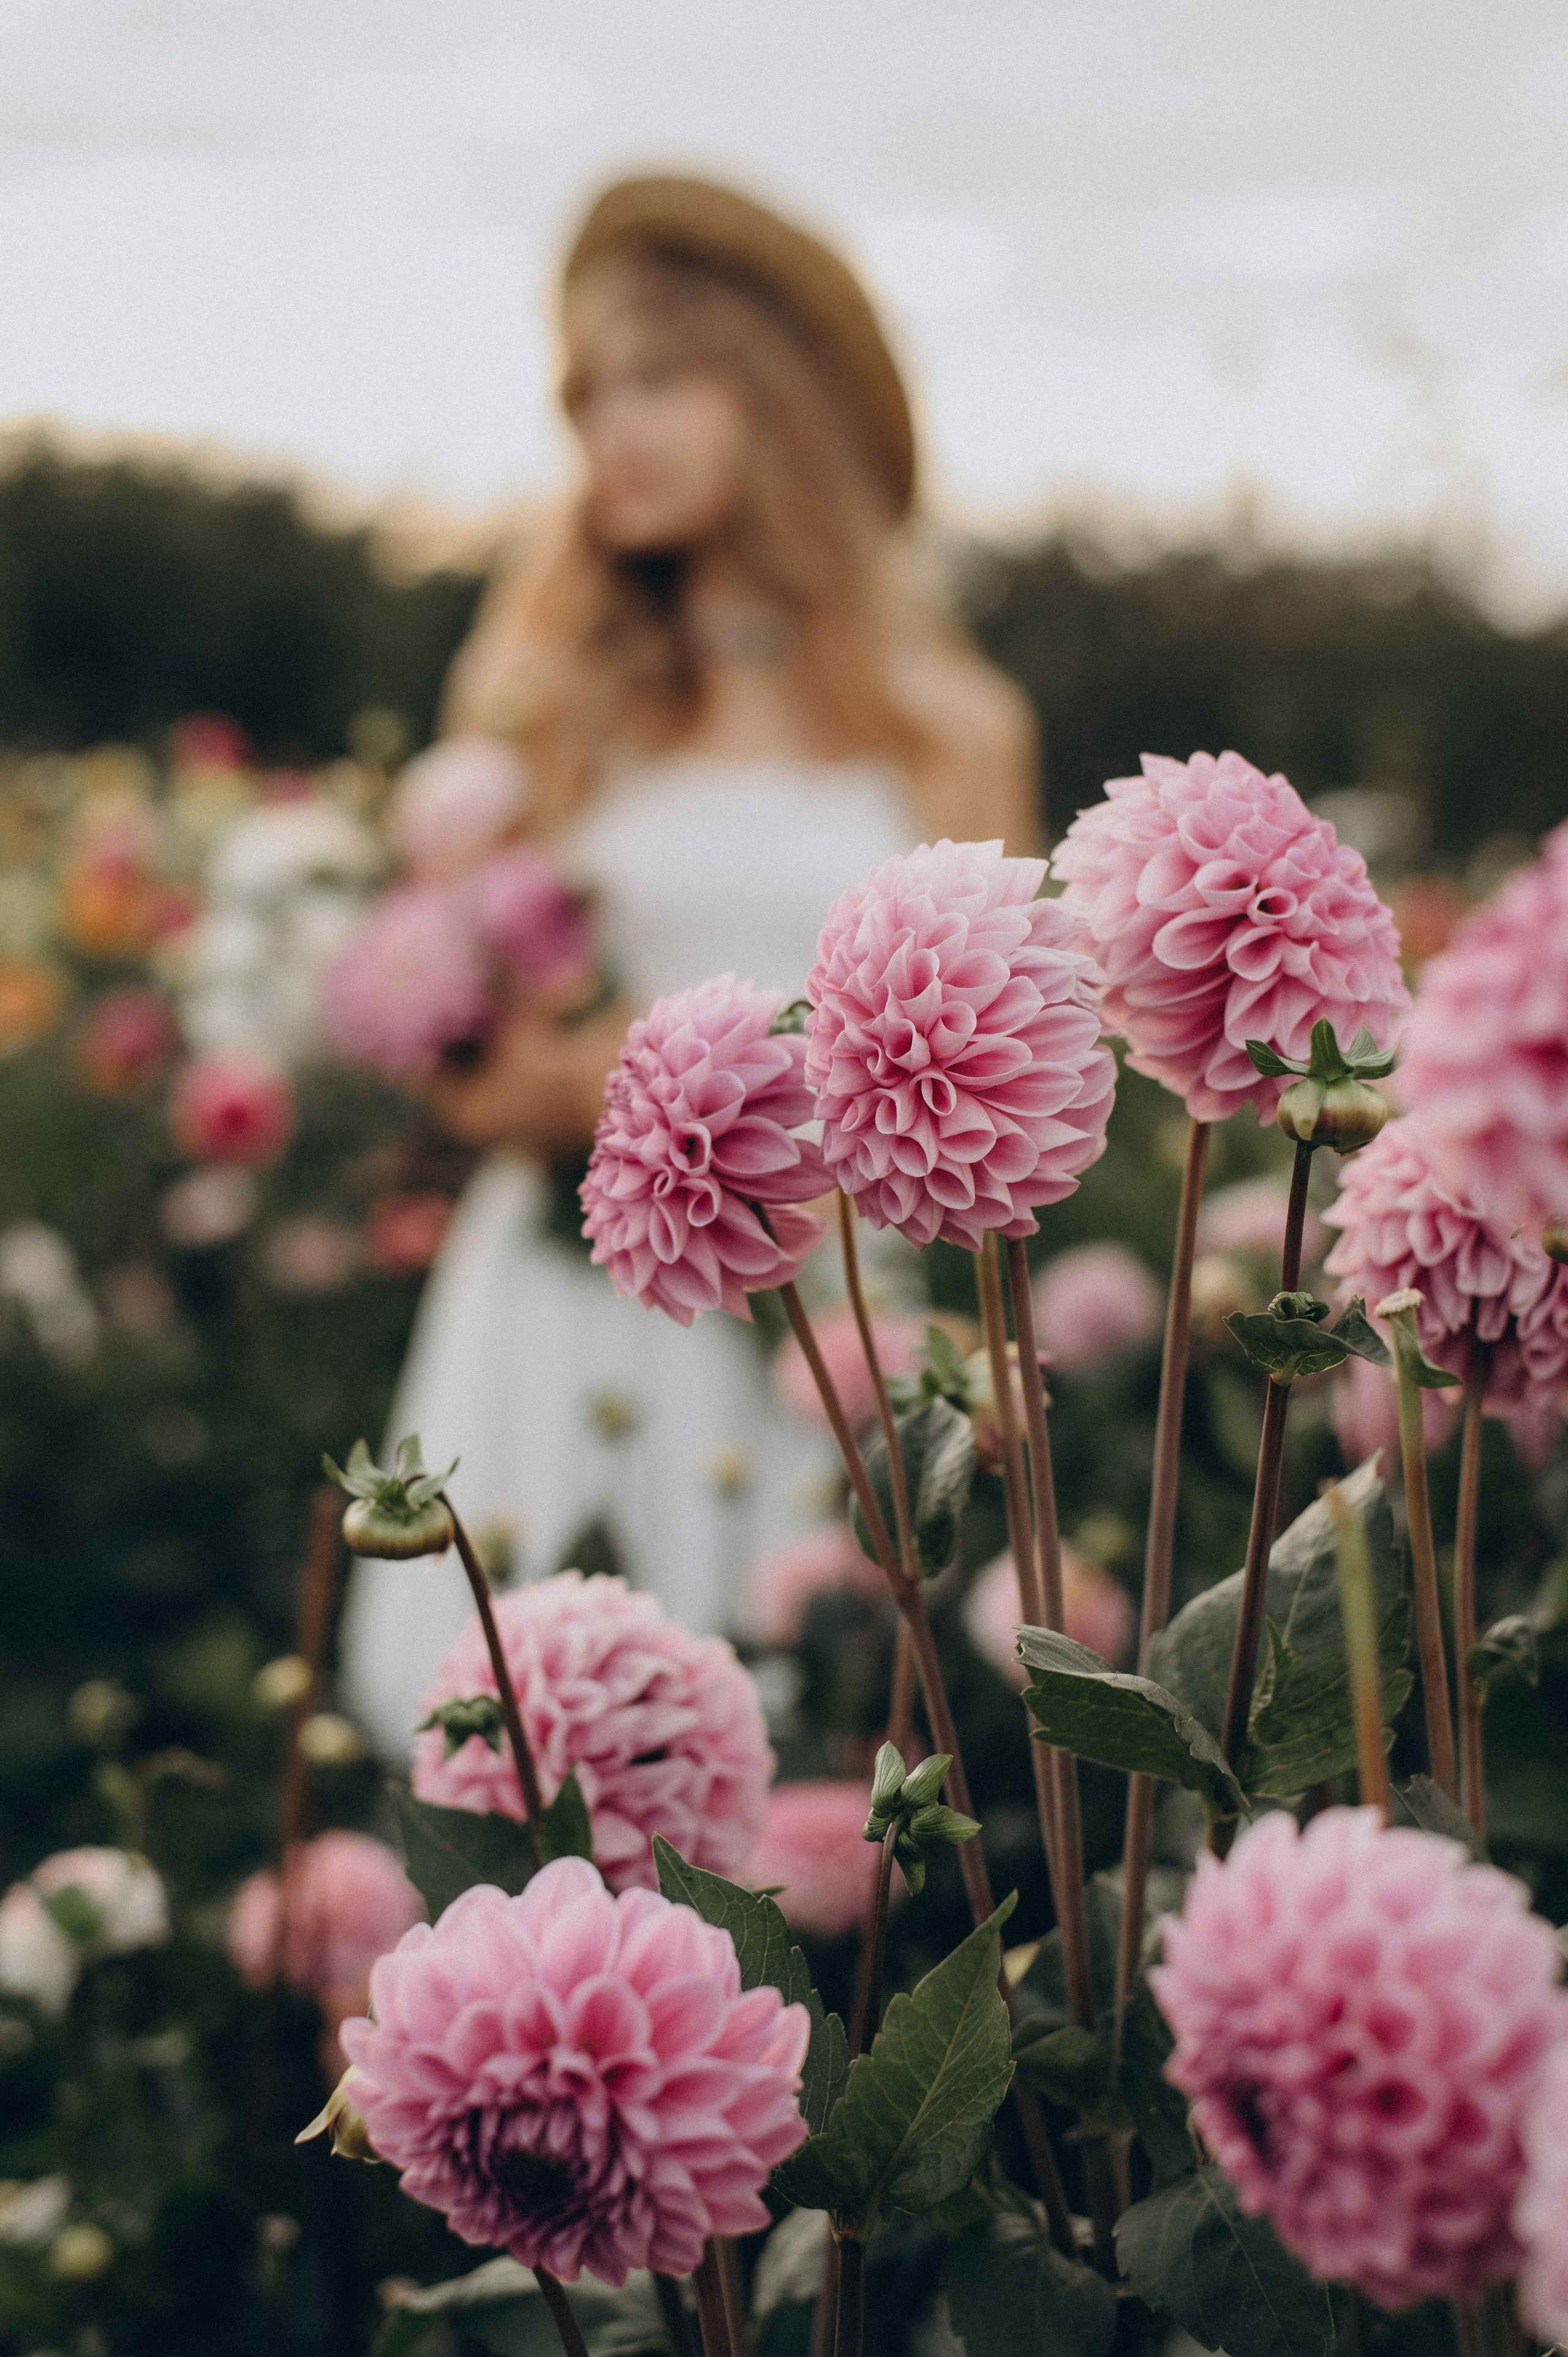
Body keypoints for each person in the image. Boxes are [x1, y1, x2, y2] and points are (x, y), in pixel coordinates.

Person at [342, 173, 1038, 1756]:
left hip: (822, 1329)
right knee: (500, 1748)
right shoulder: (546, 687)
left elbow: (1005, 1102)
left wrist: (727, 1118)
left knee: (807, 1763)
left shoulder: (954, 729)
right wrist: (560, 1090)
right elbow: (459, 1044)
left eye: (654, 381)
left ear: (776, 400)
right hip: (563, 1298)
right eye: (586, 400)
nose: (611, 437)